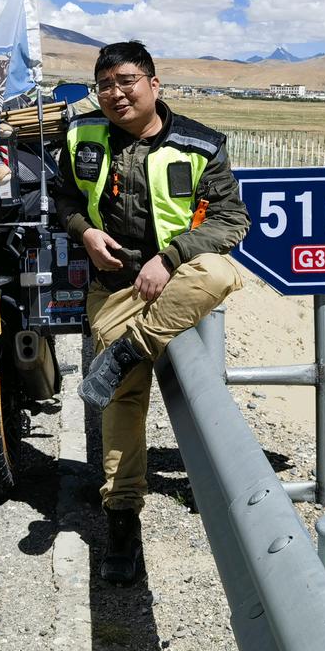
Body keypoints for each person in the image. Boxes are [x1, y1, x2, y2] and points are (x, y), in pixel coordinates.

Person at [54, 40, 249, 585]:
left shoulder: (200, 144)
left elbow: (232, 221)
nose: (115, 93)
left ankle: (128, 350)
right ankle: (121, 517)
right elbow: (61, 197)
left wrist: (170, 256)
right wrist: (85, 232)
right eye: (105, 84)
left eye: (126, 81)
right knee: (123, 398)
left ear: (153, 85)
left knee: (221, 273)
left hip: (175, 277)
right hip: (116, 287)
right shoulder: (80, 135)